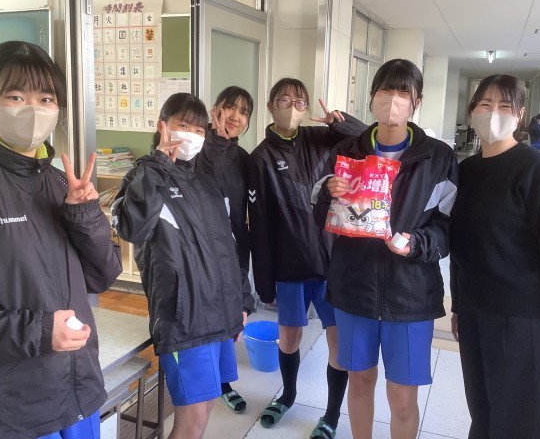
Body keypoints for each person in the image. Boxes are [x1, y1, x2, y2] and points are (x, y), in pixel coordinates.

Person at [0, 41, 122, 438]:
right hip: (9, 416)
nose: (33, 110)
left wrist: (85, 216)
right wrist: (36, 331)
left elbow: (102, 277)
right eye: (16, 96)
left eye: (46, 99)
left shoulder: (61, 186)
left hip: (78, 394)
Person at [313, 58, 458, 439]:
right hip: (354, 289)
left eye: (402, 93)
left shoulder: (437, 157)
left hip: (410, 295)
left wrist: (417, 243)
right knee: (360, 380)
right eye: (385, 91)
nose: (393, 100)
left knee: (403, 398)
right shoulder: (347, 150)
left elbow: (447, 227)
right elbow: (320, 218)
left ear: (416, 102)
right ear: (372, 97)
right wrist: (328, 194)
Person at [111, 93, 245, 439]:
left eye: (199, 129)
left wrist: (240, 303)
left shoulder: (205, 178)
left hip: (220, 314)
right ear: (163, 126)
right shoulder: (145, 174)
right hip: (185, 319)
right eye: (183, 125)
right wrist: (158, 165)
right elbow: (132, 228)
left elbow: (226, 244)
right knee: (191, 421)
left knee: (208, 405)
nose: (192, 135)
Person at [449, 74, 540, 439]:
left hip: (522, 319)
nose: (493, 113)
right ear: (472, 111)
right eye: (485, 104)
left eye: (505, 106)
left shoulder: (537, 170)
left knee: (521, 421)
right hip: (475, 314)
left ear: (519, 116)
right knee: (483, 411)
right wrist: (458, 306)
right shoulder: (466, 171)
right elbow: (462, 245)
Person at [247, 77, 366, 439]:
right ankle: (288, 395)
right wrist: (264, 284)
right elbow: (260, 224)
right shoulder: (260, 158)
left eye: (300, 102)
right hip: (290, 263)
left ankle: (330, 415)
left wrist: (338, 122)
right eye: (284, 101)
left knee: (337, 343)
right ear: (271, 106)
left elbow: (365, 139)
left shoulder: (322, 138)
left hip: (331, 260)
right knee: (289, 338)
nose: (293, 108)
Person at [198, 86, 257, 413]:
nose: (235, 116)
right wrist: (216, 142)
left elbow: (244, 212)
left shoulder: (244, 159)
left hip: (233, 246)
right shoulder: (195, 148)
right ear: (215, 109)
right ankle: (205, 384)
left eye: (243, 112)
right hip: (199, 249)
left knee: (231, 315)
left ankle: (223, 382)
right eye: (230, 108)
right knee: (204, 316)